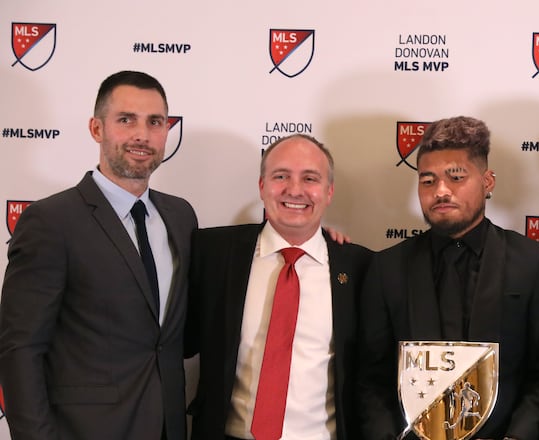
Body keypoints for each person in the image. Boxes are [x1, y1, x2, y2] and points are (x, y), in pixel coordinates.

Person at [0, 70, 198, 439]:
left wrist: (318, 242)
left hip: (169, 428)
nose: (142, 134)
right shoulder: (50, 221)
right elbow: (20, 350)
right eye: (126, 120)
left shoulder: (181, 216)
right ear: (97, 129)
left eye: (155, 122)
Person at [356, 116, 539, 440]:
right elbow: (371, 379)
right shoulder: (386, 268)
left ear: (488, 181)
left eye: (456, 177)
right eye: (428, 181)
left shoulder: (535, 264)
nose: (441, 191)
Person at [184, 134, 372, 440]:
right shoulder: (212, 252)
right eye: (280, 176)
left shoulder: (361, 268)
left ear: (329, 192)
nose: (294, 190)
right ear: (262, 186)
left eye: (310, 178)